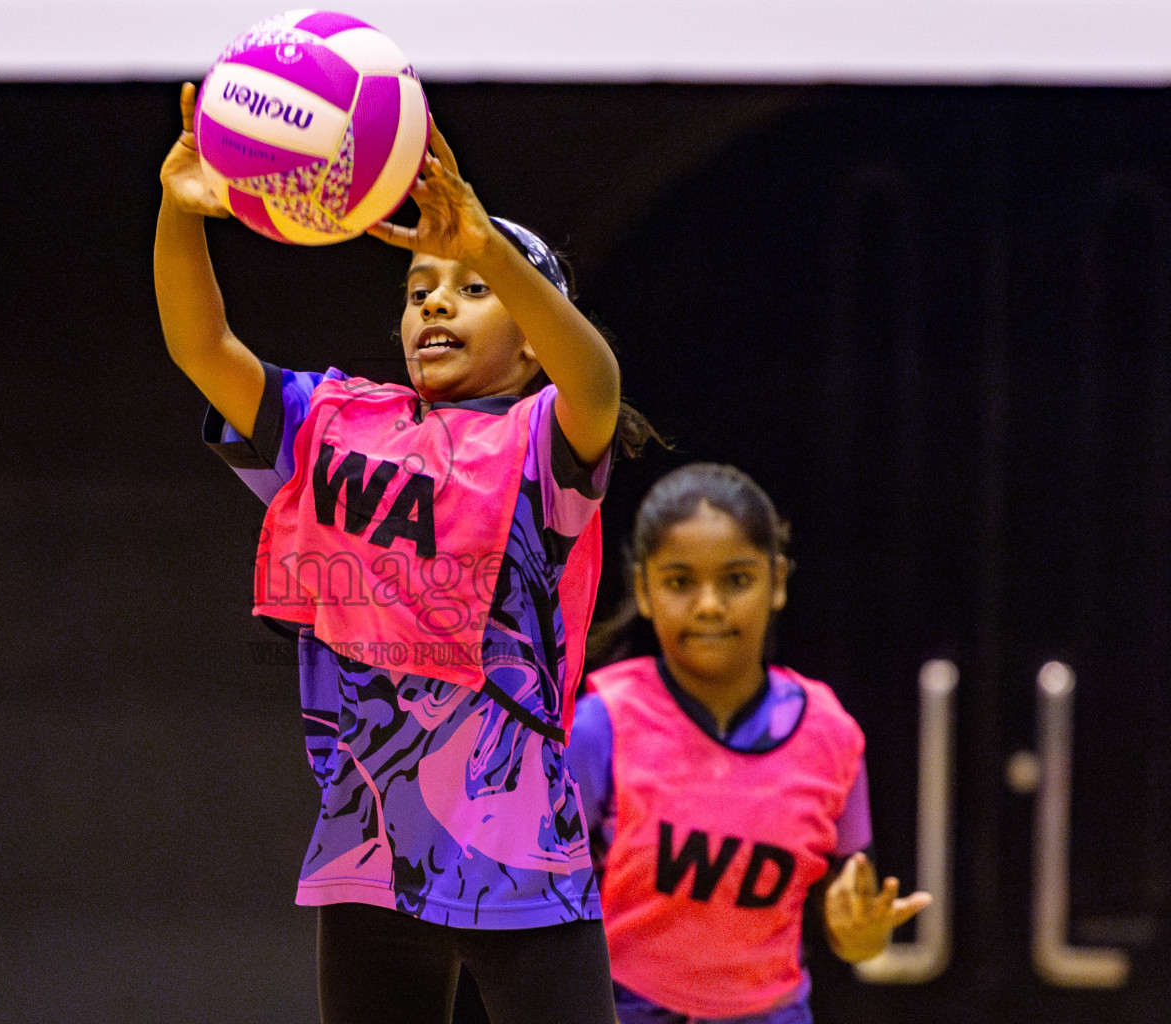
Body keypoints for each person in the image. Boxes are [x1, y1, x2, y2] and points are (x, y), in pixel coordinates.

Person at [156, 80, 658, 1024]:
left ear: (531, 337)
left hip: (520, 855)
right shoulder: (333, 423)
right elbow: (200, 344)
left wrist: (485, 247)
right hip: (367, 850)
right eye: (419, 289)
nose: (437, 304)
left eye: (472, 291)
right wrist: (179, 218)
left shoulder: (544, 443)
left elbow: (596, 377)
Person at [565, 462, 931, 1024]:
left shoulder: (831, 735)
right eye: (680, 581)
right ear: (643, 588)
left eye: (736, 579)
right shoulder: (600, 725)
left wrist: (862, 934)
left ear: (777, 581)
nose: (709, 604)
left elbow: (855, 937)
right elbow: (542, 913)